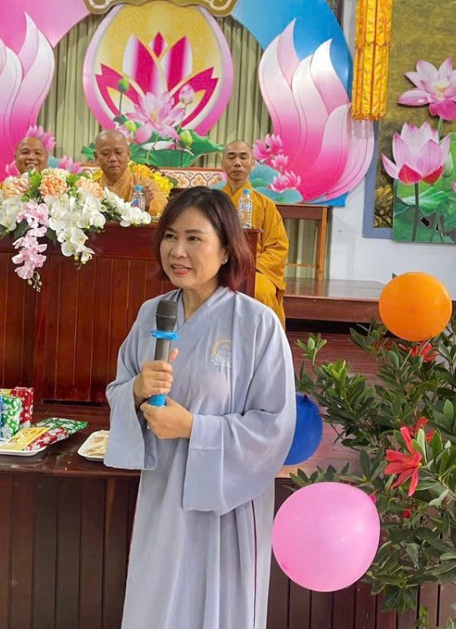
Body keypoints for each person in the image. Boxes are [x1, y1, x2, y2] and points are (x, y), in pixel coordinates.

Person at [104, 187, 296, 629]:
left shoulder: (257, 324)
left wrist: (193, 427)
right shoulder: (152, 314)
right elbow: (118, 391)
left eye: (194, 238)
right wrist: (136, 390)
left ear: (226, 249)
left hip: (227, 504)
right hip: (163, 494)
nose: (178, 251)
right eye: (171, 236)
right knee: (159, 607)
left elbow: (274, 427)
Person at [219, 140, 289, 326]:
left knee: (261, 291)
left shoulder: (266, 205)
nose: (237, 163)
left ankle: (265, 341)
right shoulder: (213, 203)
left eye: (243, 157)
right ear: (222, 163)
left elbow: (278, 247)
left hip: (254, 269)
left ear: (252, 164)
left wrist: (250, 267)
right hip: (217, 267)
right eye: (231, 157)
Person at [93, 130, 167, 217]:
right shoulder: (91, 188)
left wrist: (146, 205)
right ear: (96, 157)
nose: (113, 158)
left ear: (128, 154)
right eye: (105, 154)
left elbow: (164, 210)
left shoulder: (144, 184)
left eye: (118, 152)